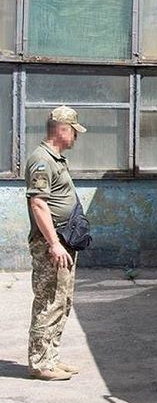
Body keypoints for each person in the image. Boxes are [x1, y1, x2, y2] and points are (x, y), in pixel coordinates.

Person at [25, 105, 87, 381]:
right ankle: (40, 363)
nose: (76, 137)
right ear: (62, 129)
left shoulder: (56, 159)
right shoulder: (42, 160)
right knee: (48, 300)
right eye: (74, 131)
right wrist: (53, 243)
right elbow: (38, 204)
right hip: (51, 243)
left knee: (62, 301)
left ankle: (51, 356)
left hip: (65, 240)